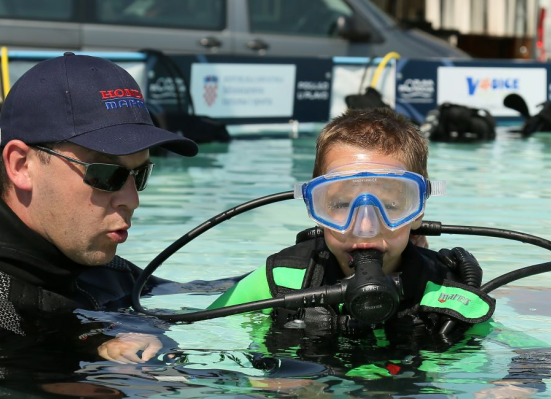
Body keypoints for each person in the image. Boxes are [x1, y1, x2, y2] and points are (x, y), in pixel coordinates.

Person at [0, 53, 200, 377]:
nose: (132, 200)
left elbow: (202, 299)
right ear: (22, 166)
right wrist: (96, 352)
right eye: (105, 174)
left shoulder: (103, 269)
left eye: (139, 174)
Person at [208, 107, 496, 340]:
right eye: (342, 205)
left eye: (392, 205)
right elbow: (199, 333)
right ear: (314, 206)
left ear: (418, 211)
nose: (365, 227)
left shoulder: (446, 293)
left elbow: (519, 352)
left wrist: (517, 382)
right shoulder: (282, 279)